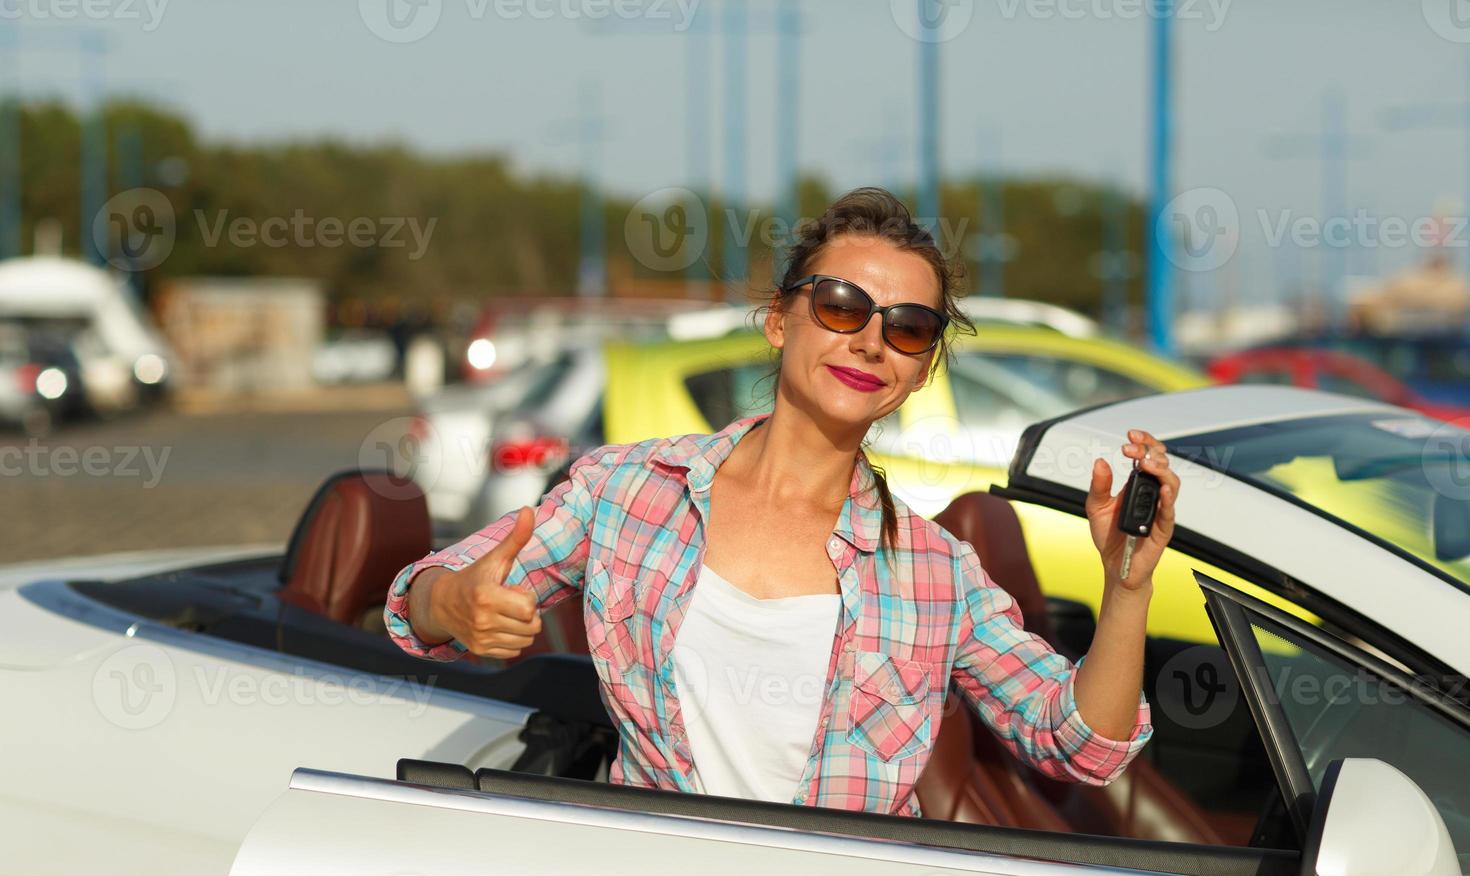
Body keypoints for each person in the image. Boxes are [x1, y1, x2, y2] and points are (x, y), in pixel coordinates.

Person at [384, 187, 1180, 818]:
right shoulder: (627, 491)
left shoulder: (940, 574)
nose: (871, 340)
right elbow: (415, 604)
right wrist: (455, 601)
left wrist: (1129, 588)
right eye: (841, 305)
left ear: (922, 369)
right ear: (778, 319)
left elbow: (1082, 746)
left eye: (908, 329)